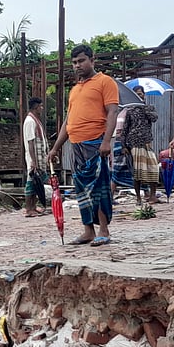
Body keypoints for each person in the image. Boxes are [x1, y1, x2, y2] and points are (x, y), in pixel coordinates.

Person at [47, 44, 119, 246]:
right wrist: (55, 147)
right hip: (76, 145)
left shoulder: (105, 82)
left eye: (81, 61)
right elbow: (68, 122)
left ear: (92, 60)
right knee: (81, 190)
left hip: (96, 142)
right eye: (74, 62)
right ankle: (88, 231)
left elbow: (112, 112)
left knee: (99, 187)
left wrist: (106, 141)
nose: (77, 65)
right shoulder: (75, 90)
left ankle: (103, 230)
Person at [121, 86, 160, 203]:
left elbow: (154, 118)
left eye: (141, 94)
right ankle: (138, 198)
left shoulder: (149, 108)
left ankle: (153, 196)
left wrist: (144, 107)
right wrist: (124, 146)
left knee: (154, 169)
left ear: (144, 94)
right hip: (134, 143)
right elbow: (125, 129)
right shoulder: (129, 110)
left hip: (147, 143)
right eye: (137, 94)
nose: (140, 95)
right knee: (138, 173)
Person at [22, 96, 49, 217]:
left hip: (39, 157)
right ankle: (29, 209)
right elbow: (30, 142)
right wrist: (33, 160)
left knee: (36, 182)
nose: (42, 108)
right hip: (33, 158)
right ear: (36, 107)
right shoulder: (29, 121)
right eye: (41, 106)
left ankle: (33, 206)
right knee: (31, 182)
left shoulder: (35, 120)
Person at [109, 106, 133, 199]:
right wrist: (124, 146)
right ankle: (110, 196)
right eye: (139, 94)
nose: (142, 97)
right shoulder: (124, 113)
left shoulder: (123, 112)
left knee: (137, 170)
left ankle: (146, 193)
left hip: (124, 144)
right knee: (117, 170)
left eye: (142, 95)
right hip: (123, 144)